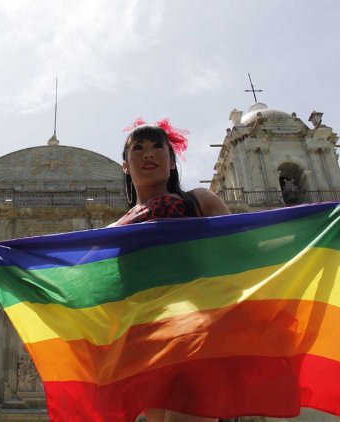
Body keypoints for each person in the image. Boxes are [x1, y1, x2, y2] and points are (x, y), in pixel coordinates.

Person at [112, 119, 230, 422]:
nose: (148, 154)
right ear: (125, 165)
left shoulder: (198, 201)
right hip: (146, 340)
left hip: (195, 327)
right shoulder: (114, 228)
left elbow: (242, 249)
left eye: (156, 147)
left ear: (171, 160)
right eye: (138, 148)